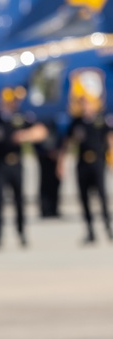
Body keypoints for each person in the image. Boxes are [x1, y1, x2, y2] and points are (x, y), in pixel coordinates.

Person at [0, 86, 48, 248]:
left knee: (19, 200)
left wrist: (25, 136)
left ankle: (21, 234)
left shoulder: (21, 117)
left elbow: (41, 131)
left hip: (16, 163)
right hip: (0, 164)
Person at [62, 94, 113, 244]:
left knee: (102, 197)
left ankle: (108, 229)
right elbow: (68, 143)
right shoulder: (76, 122)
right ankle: (90, 232)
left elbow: (110, 141)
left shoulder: (101, 121)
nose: (85, 107)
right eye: (82, 104)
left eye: (87, 103)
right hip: (82, 163)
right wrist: (61, 162)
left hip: (98, 162)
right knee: (84, 198)